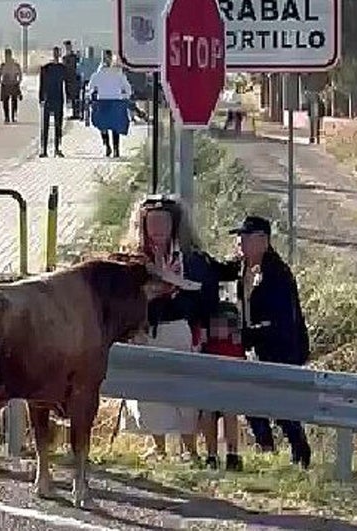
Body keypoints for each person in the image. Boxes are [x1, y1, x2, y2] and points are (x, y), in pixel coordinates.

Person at [120, 198, 202, 461]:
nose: (157, 228)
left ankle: (190, 450)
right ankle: (160, 448)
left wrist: (176, 290)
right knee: (149, 393)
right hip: (146, 331)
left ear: (174, 225)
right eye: (151, 222)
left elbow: (202, 295)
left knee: (185, 391)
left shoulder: (189, 258)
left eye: (163, 222)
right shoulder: (134, 260)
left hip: (178, 327)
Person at [229, 216, 312, 469]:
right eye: (239, 237)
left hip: (283, 349)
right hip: (259, 348)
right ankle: (266, 446)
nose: (240, 242)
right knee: (250, 399)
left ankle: (299, 452)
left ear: (263, 241)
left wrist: (246, 335)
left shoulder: (277, 275)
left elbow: (281, 322)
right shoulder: (243, 268)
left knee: (282, 407)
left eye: (246, 237)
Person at [197, 302, 245, 471]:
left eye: (224, 323)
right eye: (216, 323)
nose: (220, 327)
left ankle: (232, 454)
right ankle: (211, 455)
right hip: (210, 382)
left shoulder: (236, 343)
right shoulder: (208, 343)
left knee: (230, 414)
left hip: (230, 383)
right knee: (208, 414)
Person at [87, 50, 132, 158]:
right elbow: (128, 89)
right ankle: (111, 147)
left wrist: (91, 97)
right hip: (112, 101)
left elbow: (90, 88)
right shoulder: (114, 73)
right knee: (111, 126)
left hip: (106, 101)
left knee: (106, 125)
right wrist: (125, 96)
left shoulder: (101, 74)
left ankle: (111, 147)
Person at [38, 46, 66, 158]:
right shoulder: (46, 68)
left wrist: (68, 97)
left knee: (58, 125)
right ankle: (43, 149)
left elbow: (67, 83)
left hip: (58, 98)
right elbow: (41, 84)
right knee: (45, 126)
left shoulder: (62, 68)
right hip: (48, 98)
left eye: (57, 53)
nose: (55, 55)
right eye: (54, 53)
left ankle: (57, 148)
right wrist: (41, 98)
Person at [0, 48, 22, 123]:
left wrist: (18, 82)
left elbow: (20, 74)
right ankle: (7, 117)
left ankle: (13, 116)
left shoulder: (14, 64)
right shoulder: (3, 65)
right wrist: (1, 81)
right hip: (7, 84)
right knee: (5, 102)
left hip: (13, 84)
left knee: (14, 101)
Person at [62, 40, 81, 120]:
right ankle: (74, 113)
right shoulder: (65, 57)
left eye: (68, 46)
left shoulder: (74, 57)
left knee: (75, 97)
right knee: (70, 97)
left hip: (74, 79)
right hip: (68, 79)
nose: (67, 48)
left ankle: (76, 113)